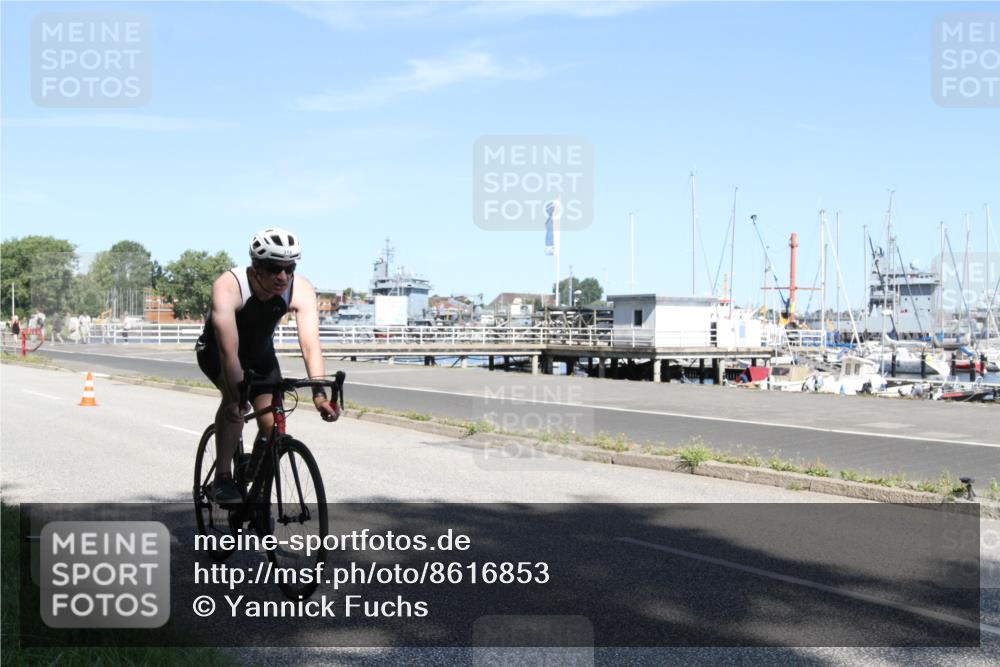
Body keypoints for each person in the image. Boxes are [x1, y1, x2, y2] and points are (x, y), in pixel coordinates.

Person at [196, 227, 339, 505]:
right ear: (256, 267)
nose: (283, 277)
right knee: (234, 403)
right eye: (275, 269)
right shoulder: (229, 286)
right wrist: (238, 398)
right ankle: (223, 477)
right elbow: (229, 352)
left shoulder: (301, 289)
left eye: (290, 268)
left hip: (260, 355)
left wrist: (320, 395)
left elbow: (310, 344)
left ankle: (254, 476)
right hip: (218, 352)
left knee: (273, 425)